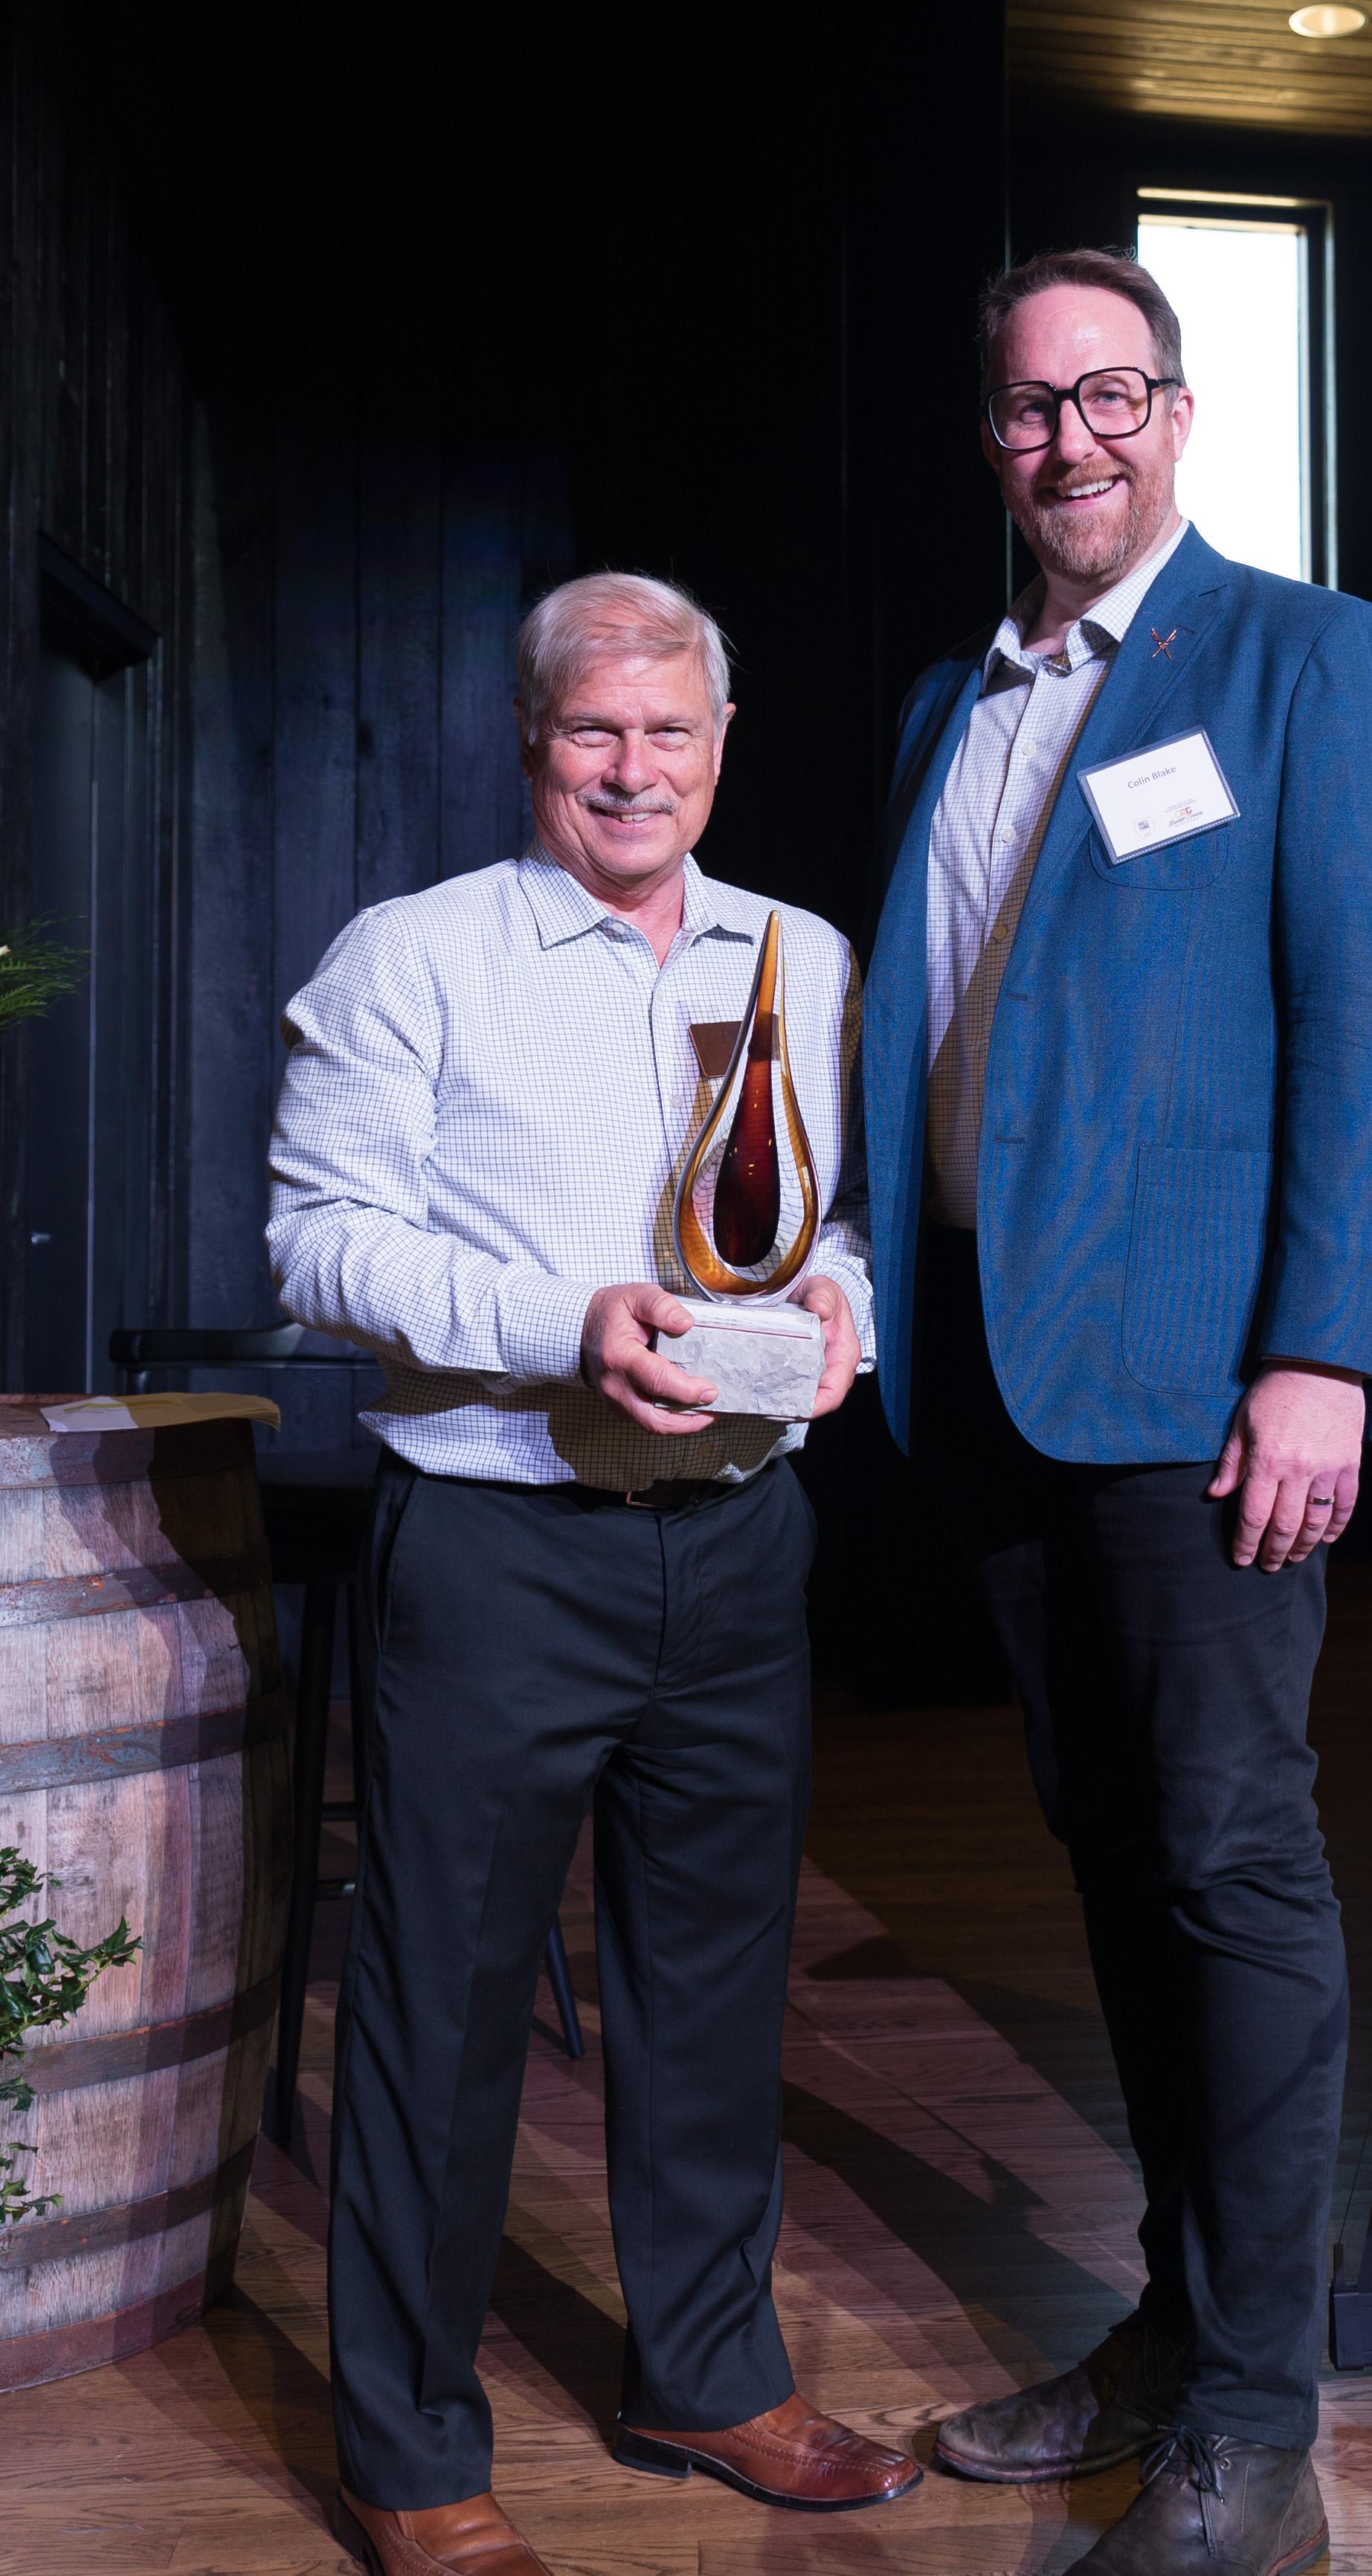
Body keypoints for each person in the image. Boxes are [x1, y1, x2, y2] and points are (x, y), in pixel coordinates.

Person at [862, 249, 1372, 2575]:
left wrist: (1325, 1350)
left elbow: (1358, 1018)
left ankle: (1251, 2406)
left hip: (1205, 1386)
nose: (1068, 440)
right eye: (1024, 409)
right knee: (1116, 1858)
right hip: (998, 1378)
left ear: (1178, 416)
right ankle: (1169, 2325)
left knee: (1227, 1860)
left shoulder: (1302, 658)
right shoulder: (948, 700)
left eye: (1109, 396)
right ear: (987, 442)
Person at [269, 573, 918, 2576]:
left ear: (721, 748)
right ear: (532, 741)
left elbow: (846, 1225)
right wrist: (573, 1317)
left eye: (670, 734)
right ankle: (407, 2456)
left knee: (715, 1996)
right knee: (440, 2015)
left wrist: (845, 1323)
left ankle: (708, 2375)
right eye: (592, 732)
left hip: (737, 1543)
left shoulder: (802, 956)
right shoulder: (415, 957)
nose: (633, 771)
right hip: (494, 1547)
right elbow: (314, 1245)